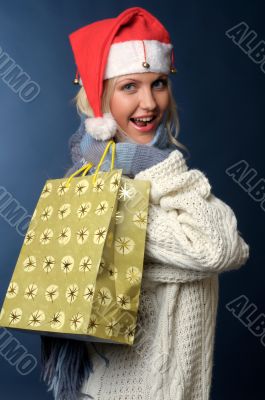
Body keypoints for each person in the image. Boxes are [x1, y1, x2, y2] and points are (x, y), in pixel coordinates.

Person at [41, 7, 250, 400]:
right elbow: (223, 248)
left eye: (158, 84)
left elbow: (218, 248)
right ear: (100, 99)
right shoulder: (101, 192)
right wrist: (166, 166)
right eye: (129, 87)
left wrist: (155, 169)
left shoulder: (155, 179)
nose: (150, 103)